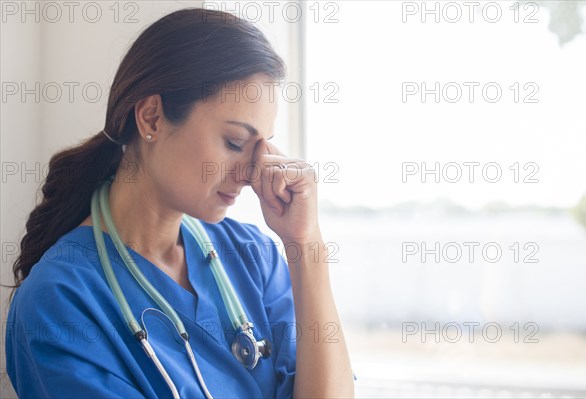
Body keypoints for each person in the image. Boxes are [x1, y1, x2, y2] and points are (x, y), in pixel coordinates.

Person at [5, 8, 354, 399]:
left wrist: (306, 246)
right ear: (152, 117)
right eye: (235, 143)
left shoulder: (254, 257)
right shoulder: (62, 302)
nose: (252, 170)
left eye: (261, 147)